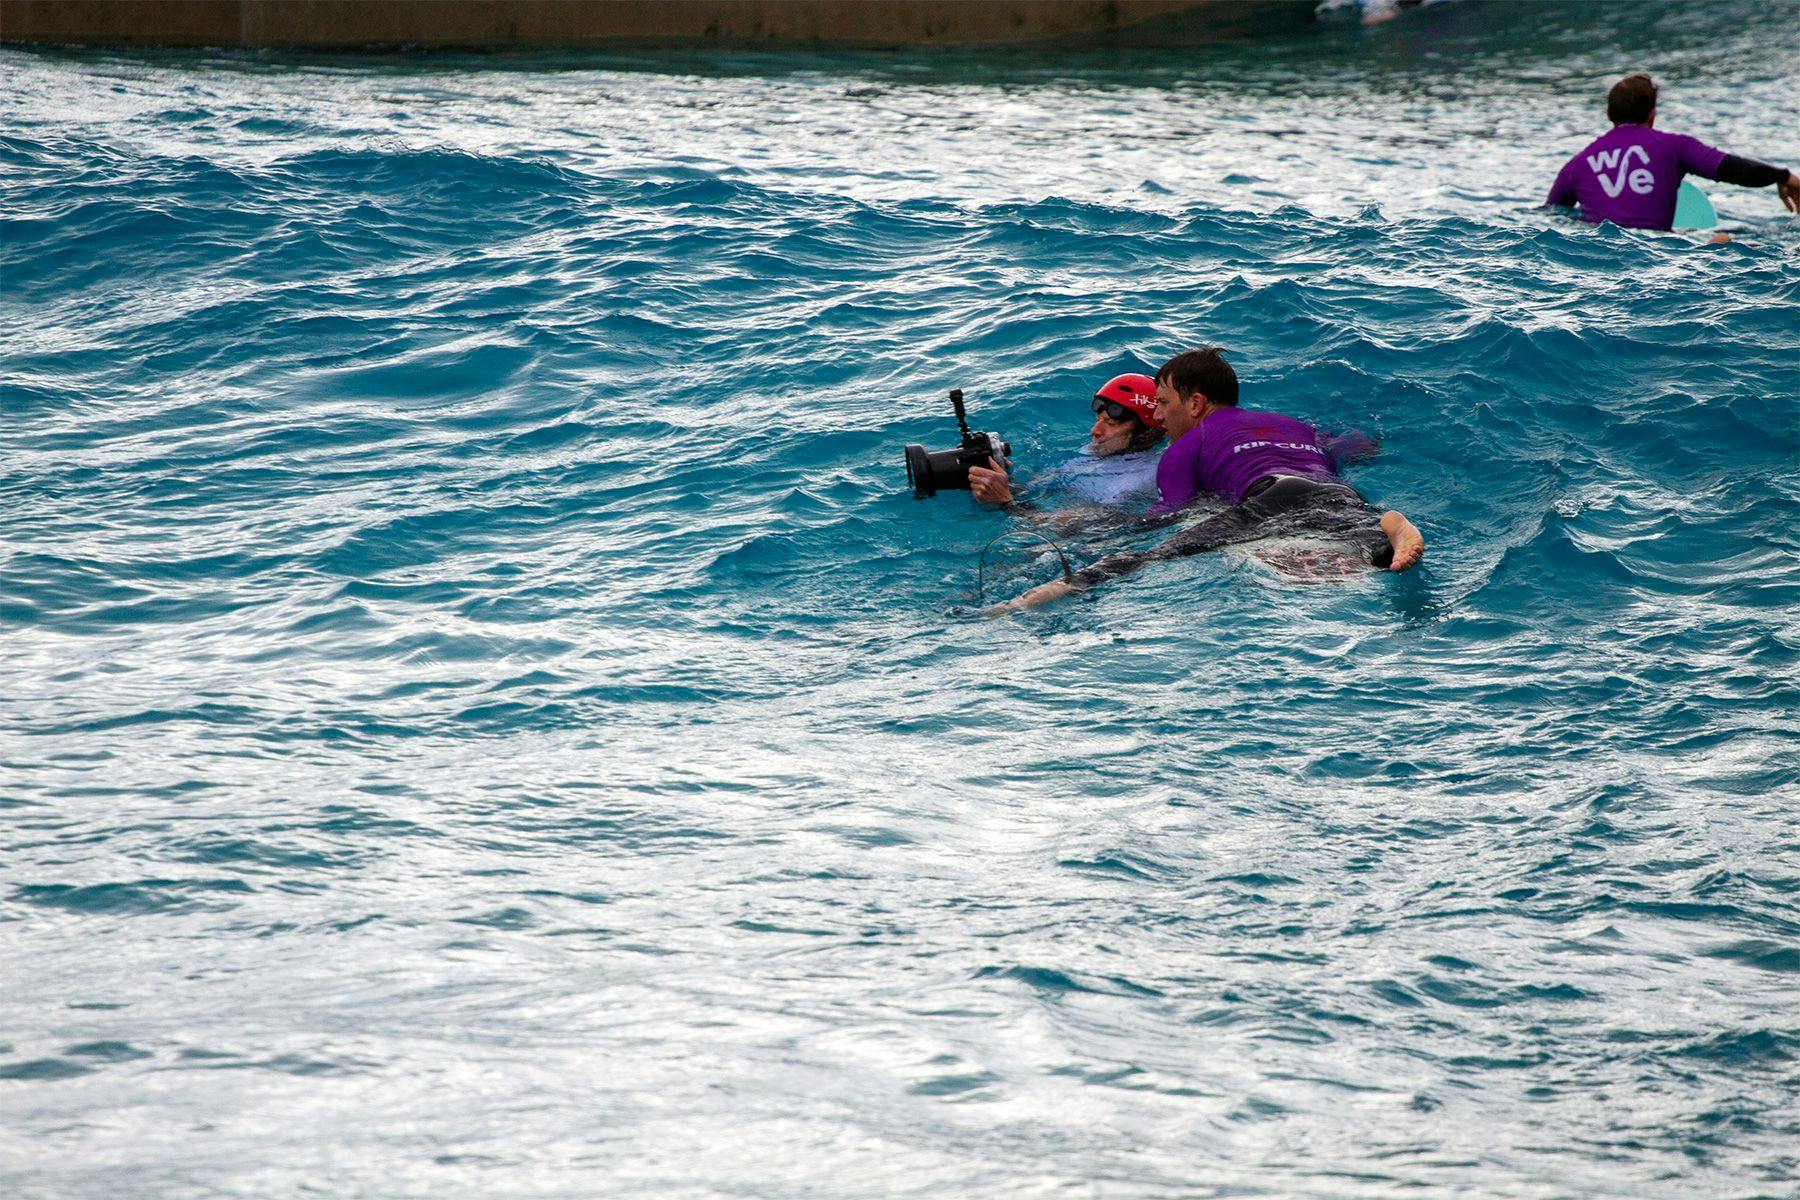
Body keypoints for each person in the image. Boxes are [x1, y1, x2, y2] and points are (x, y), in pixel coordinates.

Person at [990, 347, 1423, 613]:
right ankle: (1387, 526)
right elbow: (1360, 445)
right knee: (1357, 529)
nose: (1157, 417)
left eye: (1162, 403)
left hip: (1271, 498)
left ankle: (1053, 591)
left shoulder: (1186, 446)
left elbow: (1166, 518)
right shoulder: (1293, 424)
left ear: (1195, 403)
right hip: (1337, 494)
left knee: (1151, 556)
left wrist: (1104, 535)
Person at [1546, 73, 1799, 231]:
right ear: (1652, 115)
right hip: (1654, 254)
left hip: (1596, 255)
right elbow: (1733, 170)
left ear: (1609, 114)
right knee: (1721, 240)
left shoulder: (1577, 165)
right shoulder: (1675, 146)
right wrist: (1783, 176)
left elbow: (1552, 216)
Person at [968, 373, 1165, 508]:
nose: (1095, 430)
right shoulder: (1098, 451)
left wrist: (1006, 502)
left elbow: (1067, 534)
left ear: (1144, 432)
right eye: (1098, 420)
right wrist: (1004, 481)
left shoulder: (1135, 482)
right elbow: (1037, 491)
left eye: (1111, 423)